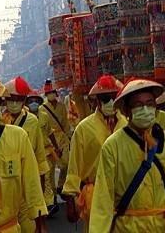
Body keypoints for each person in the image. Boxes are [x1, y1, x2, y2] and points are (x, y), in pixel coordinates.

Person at [89, 77, 165, 232]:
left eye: (149, 104)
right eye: (138, 105)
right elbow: (103, 198)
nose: (145, 109)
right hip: (128, 227)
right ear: (127, 111)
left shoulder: (164, 139)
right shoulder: (112, 145)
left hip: (164, 224)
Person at [0, 75, 47, 233]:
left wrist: (40, 223)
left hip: (10, 227)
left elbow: (32, 182)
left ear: (1, 103)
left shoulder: (18, 136)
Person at [63, 75, 126, 229]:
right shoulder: (83, 128)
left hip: (124, 191)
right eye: (105, 98)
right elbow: (74, 165)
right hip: (95, 194)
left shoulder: (128, 123)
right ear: (97, 101)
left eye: (114, 97)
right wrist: (71, 198)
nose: (110, 102)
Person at [2, 77, 49, 233]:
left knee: (30, 228)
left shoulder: (32, 121)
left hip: (27, 185)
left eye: (18, 100)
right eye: (11, 99)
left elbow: (40, 159)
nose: (14, 104)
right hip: (6, 187)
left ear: (23, 101)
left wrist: (40, 202)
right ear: (5, 101)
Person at [38, 79, 70, 209]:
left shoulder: (62, 106)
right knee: (50, 172)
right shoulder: (42, 108)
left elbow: (66, 123)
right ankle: (52, 198)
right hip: (49, 142)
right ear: (46, 94)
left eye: (53, 92)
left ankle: (61, 185)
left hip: (61, 138)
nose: (51, 94)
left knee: (66, 164)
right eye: (49, 92)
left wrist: (68, 136)